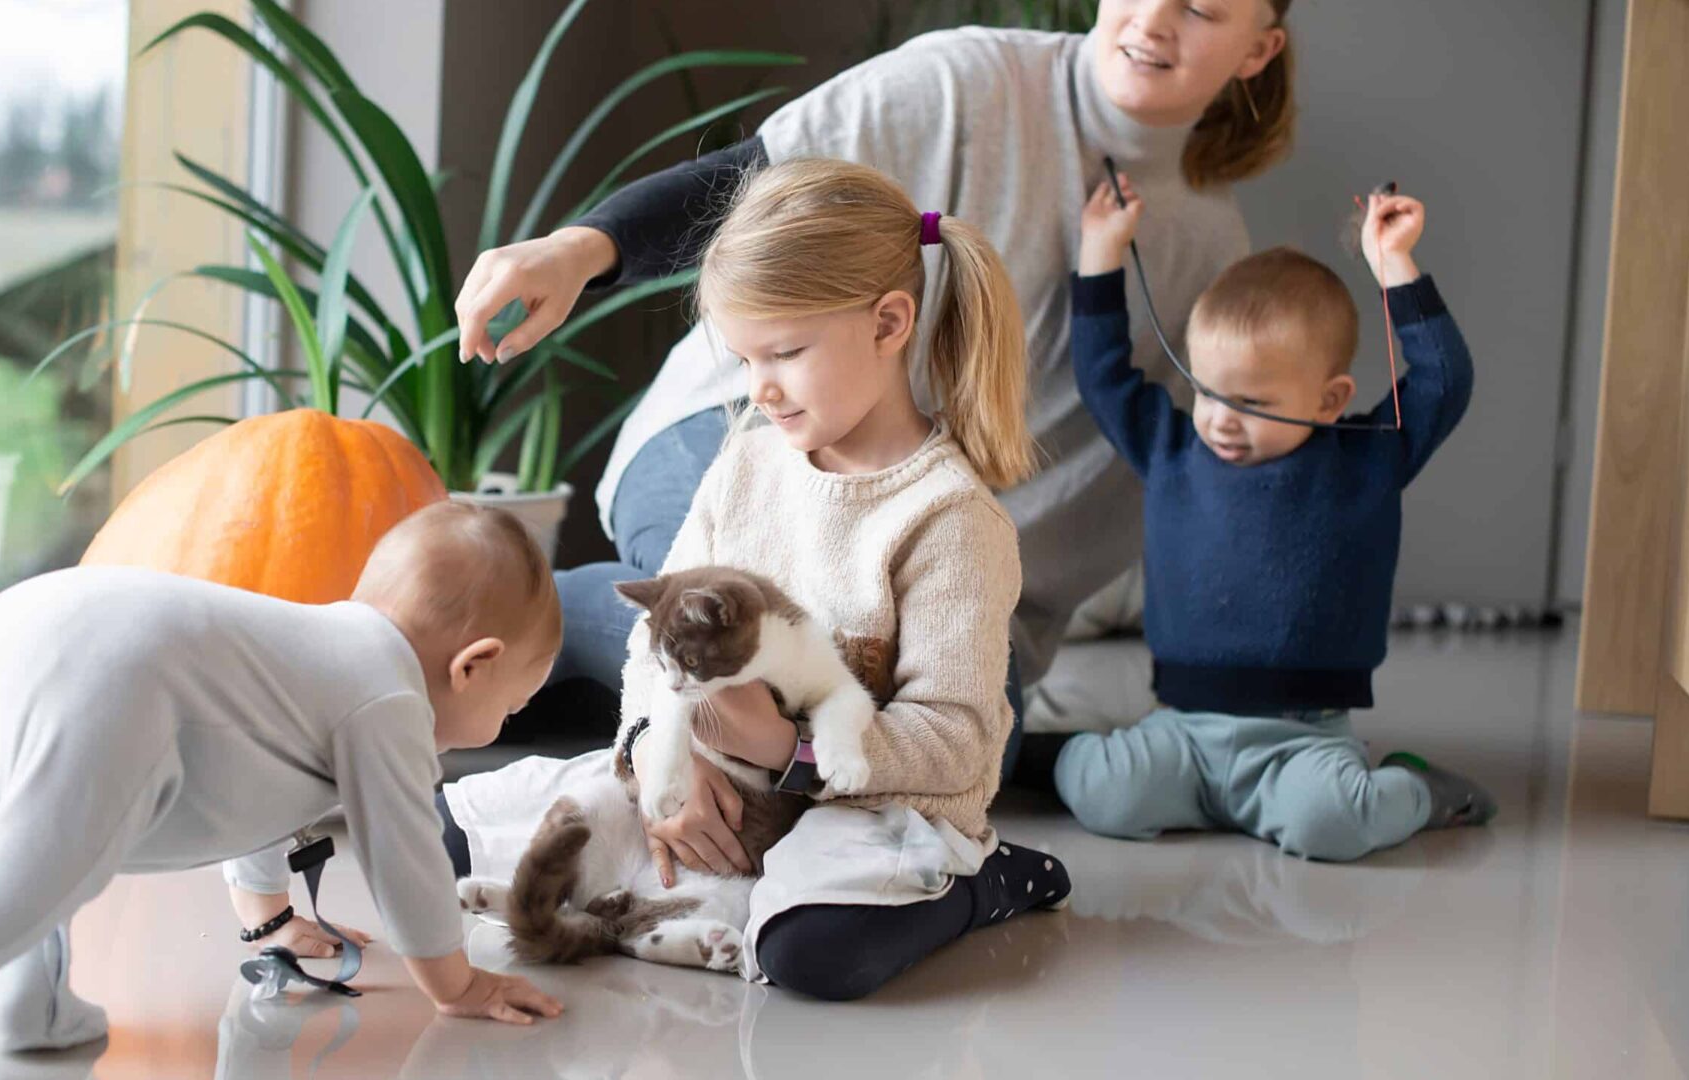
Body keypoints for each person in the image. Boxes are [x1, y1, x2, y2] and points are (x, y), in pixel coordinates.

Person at [455, 0, 1299, 775]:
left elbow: (1182, 479)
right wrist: (578, 252)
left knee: (923, 739)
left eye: (1200, 6)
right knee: (763, 651)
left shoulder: (1210, 254)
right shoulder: (966, 80)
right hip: (731, 439)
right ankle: (552, 622)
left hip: (919, 558)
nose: (1154, 20)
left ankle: (595, 673)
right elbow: (751, 182)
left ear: (1258, 49)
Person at [441, 158, 1070, 1003]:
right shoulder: (746, 460)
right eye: (742, 360)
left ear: (889, 323)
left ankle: (983, 881)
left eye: (785, 352)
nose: (759, 388)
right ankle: (697, 890)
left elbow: (955, 738)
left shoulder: (950, 520)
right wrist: (655, 767)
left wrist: (785, 752)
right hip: (717, 786)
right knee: (451, 835)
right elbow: (646, 644)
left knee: (815, 954)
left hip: (861, 808)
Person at [0, 503, 566, 1080]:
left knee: (43, 854)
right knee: (39, 857)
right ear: (473, 666)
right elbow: (406, 856)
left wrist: (269, 919)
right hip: (113, 669)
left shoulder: (315, 659)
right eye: (513, 704)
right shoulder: (390, 698)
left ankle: (31, 1007)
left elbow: (256, 788)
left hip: (22, 626)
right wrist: (457, 984)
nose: (506, 721)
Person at [1051, 175, 1497, 861]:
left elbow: (1445, 380)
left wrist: (1394, 266)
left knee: (1332, 827)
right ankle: (1035, 751)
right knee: (1106, 796)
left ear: (1329, 399)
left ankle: (1416, 788)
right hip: (1184, 733)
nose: (1220, 419)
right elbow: (1103, 375)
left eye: (1252, 403)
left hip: (1306, 739)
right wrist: (1102, 250)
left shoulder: (1367, 460)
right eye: (1205, 391)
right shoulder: (1172, 450)